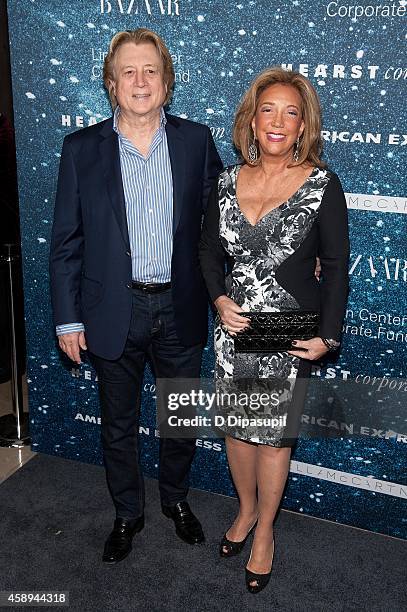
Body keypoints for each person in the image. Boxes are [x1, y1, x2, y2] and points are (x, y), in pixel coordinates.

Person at [49, 28, 222, 563]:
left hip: (180, 307)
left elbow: (219, 227)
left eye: (150, 70)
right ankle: (128, 512)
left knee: (180, 419)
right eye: (128, 71)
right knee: (118, 423)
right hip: (109, 311)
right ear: (111, 83)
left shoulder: (197, 141)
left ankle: (174, 501)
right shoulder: (81, 149)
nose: (140, 81)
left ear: (167, 82)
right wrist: (67, 320)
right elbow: (66, 243)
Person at [199, 67, 349, 593]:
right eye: (269, 109)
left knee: (272, 442)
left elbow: (334, 266)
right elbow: (208, 251)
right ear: (253, 119)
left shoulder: (322, 185)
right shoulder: (225, 180)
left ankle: (265, 533)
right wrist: (218, 299)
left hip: (287, 329)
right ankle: (243, 512)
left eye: (291, 111)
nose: (278, 121)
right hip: (234, 327)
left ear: (303, 124)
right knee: (237, 432)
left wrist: (328, 335)